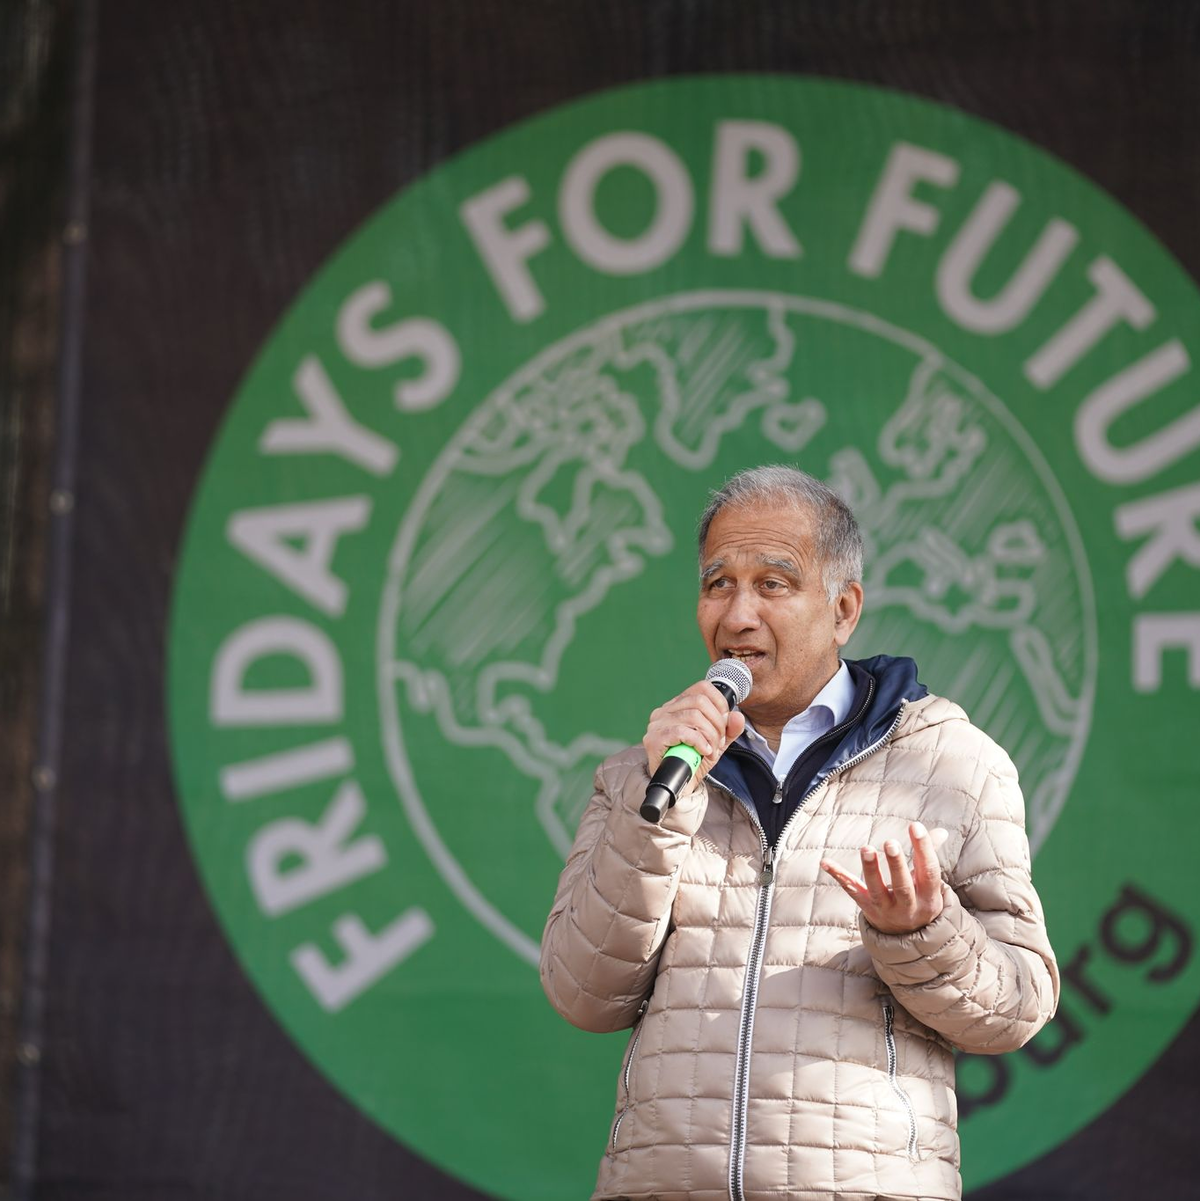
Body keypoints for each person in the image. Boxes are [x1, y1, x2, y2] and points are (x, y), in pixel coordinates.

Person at [539, 465, 1058, 1201]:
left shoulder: (952, 764)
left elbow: (1020, 1003)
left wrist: (924, 929)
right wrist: (654, 819)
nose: (738, 614)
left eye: (772, 584)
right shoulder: (645, 774)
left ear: (843, 609)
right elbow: (582, 993)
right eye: (718, 583)